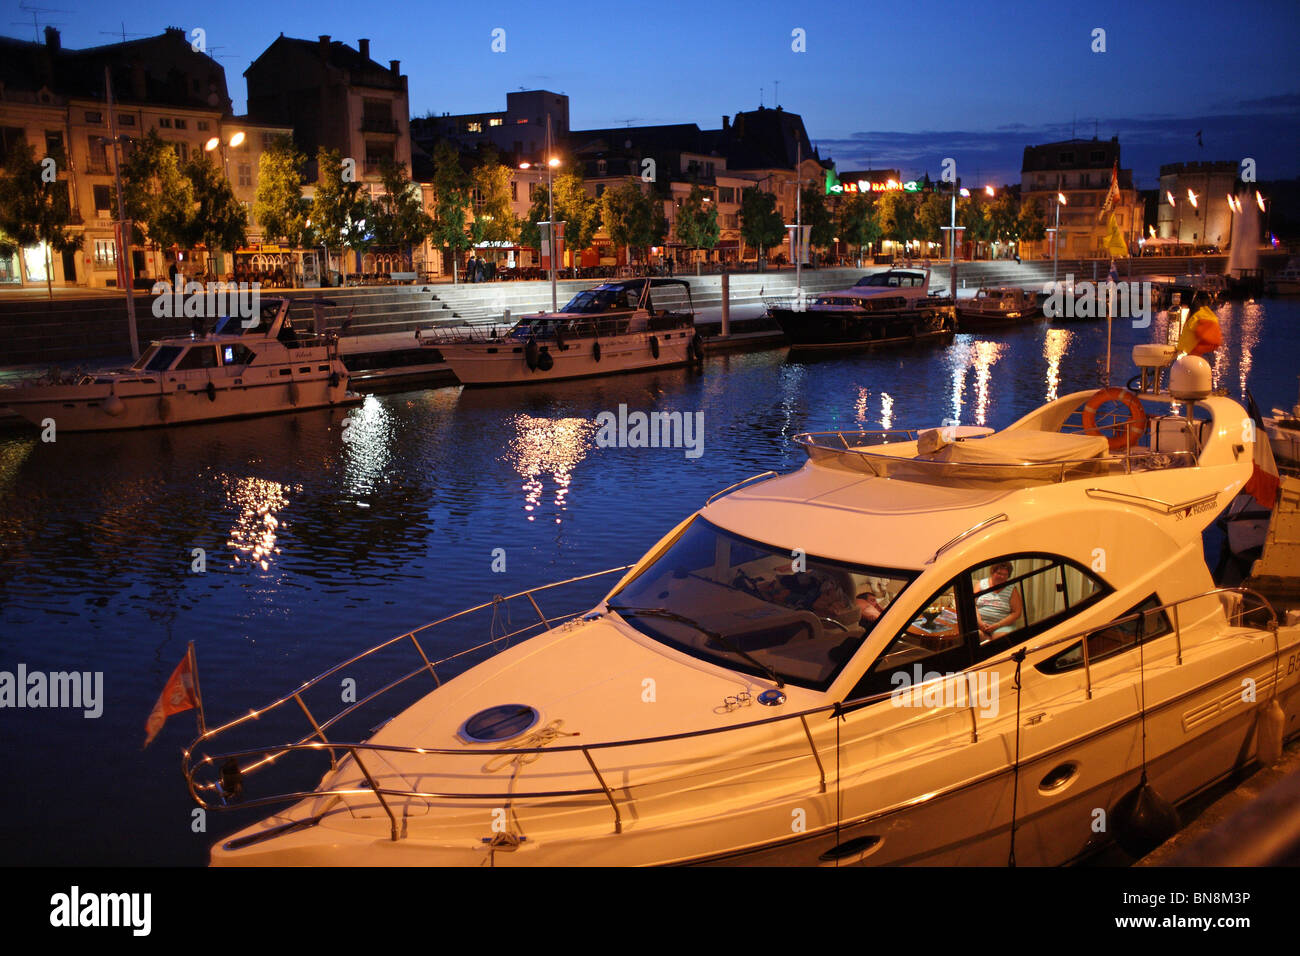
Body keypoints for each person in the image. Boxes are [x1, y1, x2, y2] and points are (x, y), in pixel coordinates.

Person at [975, 562, 1022, 640]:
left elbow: (1017, 612)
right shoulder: (981, 584)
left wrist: (998, 625)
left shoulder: (1011, 589)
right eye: (999, 573)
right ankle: (987, 638)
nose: (1001, 577)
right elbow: (971, 604)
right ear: (992, 572)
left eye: (1005, 575)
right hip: (980, 625)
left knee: (999, 639)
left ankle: (989, 639)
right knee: (975, 636)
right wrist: (979, 621)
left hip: (1002, 626)